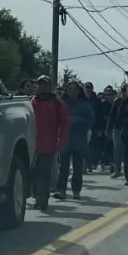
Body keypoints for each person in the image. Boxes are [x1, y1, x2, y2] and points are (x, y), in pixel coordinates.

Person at [30, 75, 68, 210]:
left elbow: (64, 124)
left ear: (50, 86)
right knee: (33, 173)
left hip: (49, 144)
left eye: (45, 84)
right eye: (39, 84)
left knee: (44, 173)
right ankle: (36, 195)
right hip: (32, 144)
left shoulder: (57, 103)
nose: (42, 87)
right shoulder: (31, 101)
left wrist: (62, 142)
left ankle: (43, 199)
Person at [56, 81, 94, 200]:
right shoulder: (62, 104)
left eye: (74, 89)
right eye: (69, 89)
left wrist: (77, 120)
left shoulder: (84, 104)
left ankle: (76, 190)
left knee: (78, 168)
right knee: (63, 167)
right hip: (65, 138)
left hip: (79, 139)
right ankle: (61, 190)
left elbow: (91, 121)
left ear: (79, 91)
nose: (71, 91)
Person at [108, 84, 127, 178]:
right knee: (117, 150)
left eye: (126, 91)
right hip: (117, 128)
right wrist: (108, 128)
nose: (124, 93)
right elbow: (112, 115)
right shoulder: (117, 102)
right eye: (123, 90)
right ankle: (117, 170)